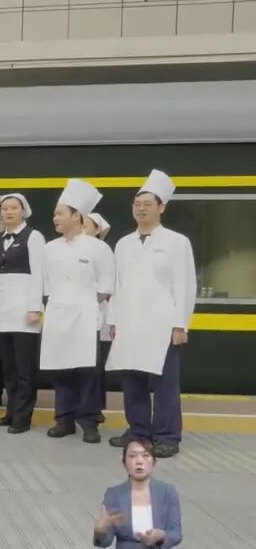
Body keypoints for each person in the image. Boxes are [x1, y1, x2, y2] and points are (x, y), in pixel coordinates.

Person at [106, 170, 196, 458]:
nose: (141, 208)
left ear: (161, 207)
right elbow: (117, 286)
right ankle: (138, 430)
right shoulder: (123, 244)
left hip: (162, 324)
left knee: (165, 382)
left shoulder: (176, 242)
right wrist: (113, 321)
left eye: (147, 203)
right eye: (137, 203)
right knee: (131, 379)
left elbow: (185, 284)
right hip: (130, 321)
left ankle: (168, 435)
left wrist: (180, 324)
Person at [40, 179, 115, 444]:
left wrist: (82, 303)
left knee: (88, 371)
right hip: (58, 314)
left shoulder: (98, 248)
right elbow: (46, 285)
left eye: (60, 213)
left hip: (86, 316)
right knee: (60, 369)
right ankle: (64, 420)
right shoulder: (49, 249)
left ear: (76, 216)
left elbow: (107, 285)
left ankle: (90, 422)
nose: (55, 218)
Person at [0, 193, 45, 434]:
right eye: (5, 208)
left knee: (25, 368)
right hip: (3, 310)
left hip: (24, 310)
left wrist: (34, 307)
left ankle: (23, 416)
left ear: (23, 211)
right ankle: (11, 412)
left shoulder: (34, 237)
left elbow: (39, 274)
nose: (8, 212)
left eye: (13, 208)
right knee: (8, 368)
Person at [93, 438, 182, 548]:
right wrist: (100, 530)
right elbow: (104, 542)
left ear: (154, 462)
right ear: (124, 463)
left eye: (145, 455)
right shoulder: (114, 494)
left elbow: (176, 533)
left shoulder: (168, 492)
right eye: (132, 456)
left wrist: (162, 536)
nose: (139, 461)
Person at [85, 212, 113, 422]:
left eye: (87, 226)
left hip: (98, 313)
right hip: (73, 317)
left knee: (96, 366)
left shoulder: (103, 252)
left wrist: (84, 300)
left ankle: (95, 408)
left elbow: (106, 287)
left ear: (97, 230)